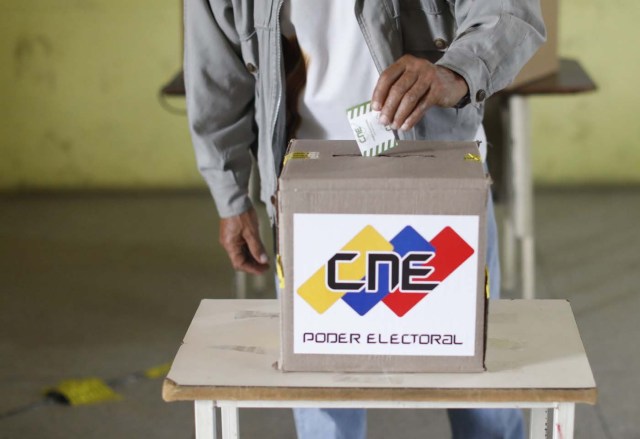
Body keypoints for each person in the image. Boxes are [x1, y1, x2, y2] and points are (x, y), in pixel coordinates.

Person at [184, 1, 545, 438]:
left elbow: (509, 13)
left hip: (440, 184)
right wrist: (231, 198)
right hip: (310, 197)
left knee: (473, 381)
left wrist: (456, 72)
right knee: (324, 391)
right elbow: (215, 74)